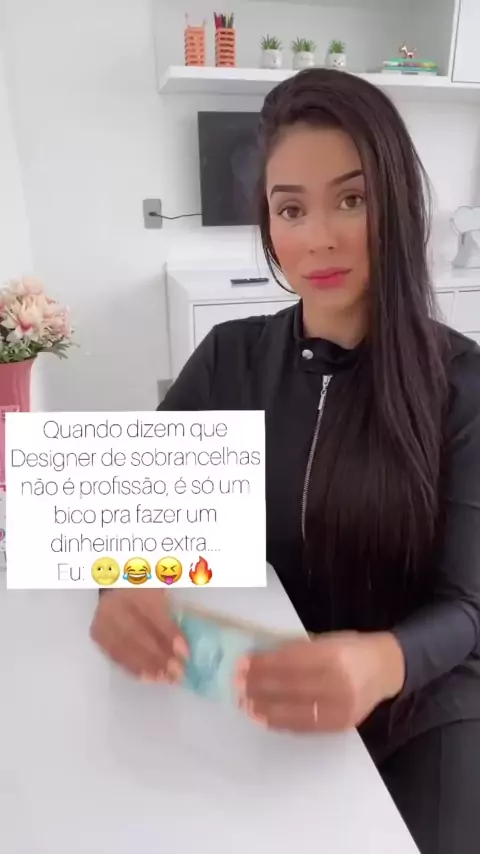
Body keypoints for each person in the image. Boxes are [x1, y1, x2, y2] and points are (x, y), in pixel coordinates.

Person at [90, 69, 480, 853]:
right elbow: (131, 519)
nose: (319, 238)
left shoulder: (463, 384)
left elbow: (466, 609)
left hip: (423, 705)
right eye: (291, 209)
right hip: (258, 686)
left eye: (351, 200)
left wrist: (382, 663)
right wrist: (122, 584)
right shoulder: (228, 360)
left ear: (397, 203)